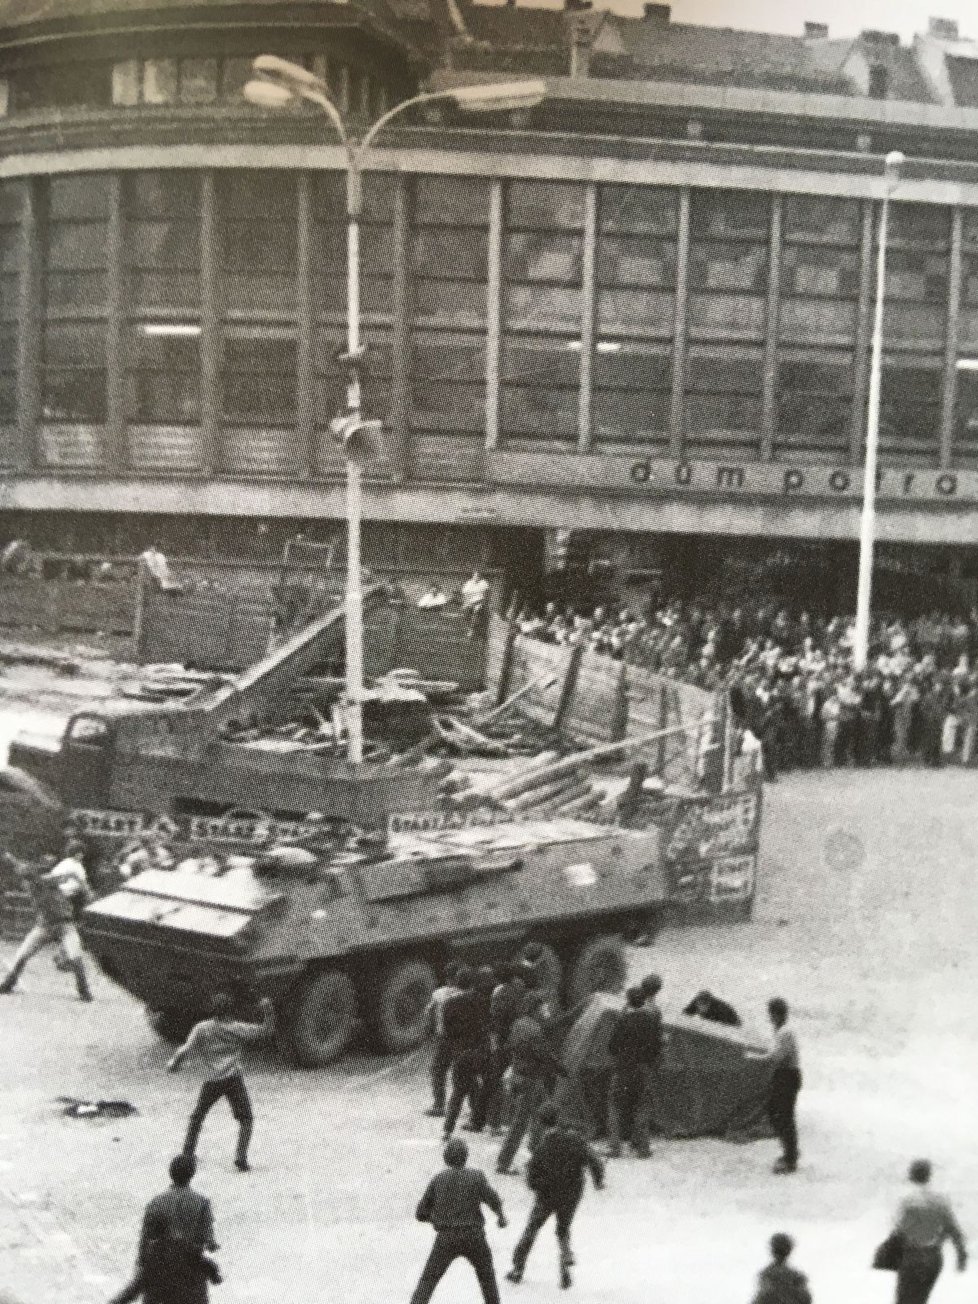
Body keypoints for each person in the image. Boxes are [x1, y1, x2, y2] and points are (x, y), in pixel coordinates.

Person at [168, 992, 275, 1172]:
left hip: (212, 1080)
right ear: (231, 1011)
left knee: (198, 1116)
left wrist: (174, 1065)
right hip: (233, 1079)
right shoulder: (238, 1028)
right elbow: (266, 1030)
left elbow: (184, 1050)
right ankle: (241, 1157)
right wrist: (268, 1010)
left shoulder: (202, 1028)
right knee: (246, 1119)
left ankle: (188, 1154)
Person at [506, 1103, 604, 1290]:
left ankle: (518, 1269)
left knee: (532, 1228)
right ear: (559, 1119)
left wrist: (538, 1187)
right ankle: (565, 1257)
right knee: (563, 1229)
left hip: (547, 1195)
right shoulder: (576, 1140)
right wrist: (598, 1181)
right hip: (572, 1193)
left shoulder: (541, 1146)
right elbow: (594, 1161)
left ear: (542, 1123)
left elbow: (531, 1178)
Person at [109, 1153, 220, 1304]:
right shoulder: (201, 1203)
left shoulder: (156, 1203)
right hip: (190, 1275)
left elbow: (145, 1240)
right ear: (192, 1174)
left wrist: (144, 1265)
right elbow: (206, 1239)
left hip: (159, 1271)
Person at [410, 1136, 507, 1304]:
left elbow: (420, 1213)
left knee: (428, 1281)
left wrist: (435, 1219)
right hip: (474, 1236)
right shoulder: (477, 1176)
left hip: (446, 1237)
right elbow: (493, 1199)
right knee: (487, 1279)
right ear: (466, 1157)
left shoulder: (438, 1179)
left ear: (446, 1158)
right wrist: (501, 1216)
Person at [0, 855, 93, 1001]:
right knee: (23, 954)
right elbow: (21, 868)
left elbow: (71, 874)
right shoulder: (34, 884)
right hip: (45, 926)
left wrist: (86, 889)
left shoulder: (46, 881)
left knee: (75, 956)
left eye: (26, 878)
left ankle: (84, 990)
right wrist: (11, 859)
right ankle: (8, 983)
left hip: (65, 924)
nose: (24, 883)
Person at [496, 990, 567, 1175]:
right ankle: (504, 1162)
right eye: (543, 1005)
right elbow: (544, 1055)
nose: (547, 1008)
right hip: (531, 1079)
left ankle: (535, 1153)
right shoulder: (535, 1029)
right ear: (536, 1008)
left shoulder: (519, 1024)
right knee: (522, 1121)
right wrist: (562, 1069)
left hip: (520, 1075)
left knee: (541, 1112)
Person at [889, 1159, 967, 1304]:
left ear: (911, 1175)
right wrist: (961, 1255)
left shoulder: (907, 1199)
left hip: (912, 1257)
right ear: (929, 1175)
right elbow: (954, 1230)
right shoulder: (941, 1200)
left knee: (904, 1300)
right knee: (921, 1299)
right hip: (933, 1257)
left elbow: (899, 1229)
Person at [605, 982, 663, 1160]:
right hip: (643, 1070)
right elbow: (657, 1048)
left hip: (623, 1069)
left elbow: (612, 1047)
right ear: (644, 1000)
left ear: (628, 1002)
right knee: (641, 1107)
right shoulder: (652, 1020)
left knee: (615, 1107)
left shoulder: (623, 1020)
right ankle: (642, 1148)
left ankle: (615, 1148)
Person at [748, 997, 801, 1173]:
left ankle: (790, 1156)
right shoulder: (782, 1031)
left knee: (783, 1116)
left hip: (787, 1076)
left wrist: (753, 1058)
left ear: (776, 1014)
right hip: (785, 1075)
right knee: (777, 1113)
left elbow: (776, 1057)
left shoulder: (784, 1032)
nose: (769, 1018)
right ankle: (790, 1151)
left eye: (770, 1014)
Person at [441, 966, 491, 1138]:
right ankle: (479, 1121)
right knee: (482, 1085)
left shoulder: (449, 1004)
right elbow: (487, 1025)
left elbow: (447, 1032)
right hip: (479, 1050)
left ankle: (448, 1129)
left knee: (458, 1091)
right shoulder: (482, 1000)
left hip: (461, 1053)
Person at [424, 963, 461, 1118]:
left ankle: (439, 1105)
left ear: (447, 978)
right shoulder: (465, 993)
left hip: (443, 1039)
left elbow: (428, 1013)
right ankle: (475, 1108)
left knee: (438, 1071)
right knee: (464, 1073)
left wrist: (429, 1032)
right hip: (461, 1038)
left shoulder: (438, 994)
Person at [750, 1232, 812, 1304]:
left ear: (772, 1250)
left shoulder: (767, 1275)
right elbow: (806, 1299)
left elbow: (761, 1299)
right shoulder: (797, 1277)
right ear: (789, 1250)